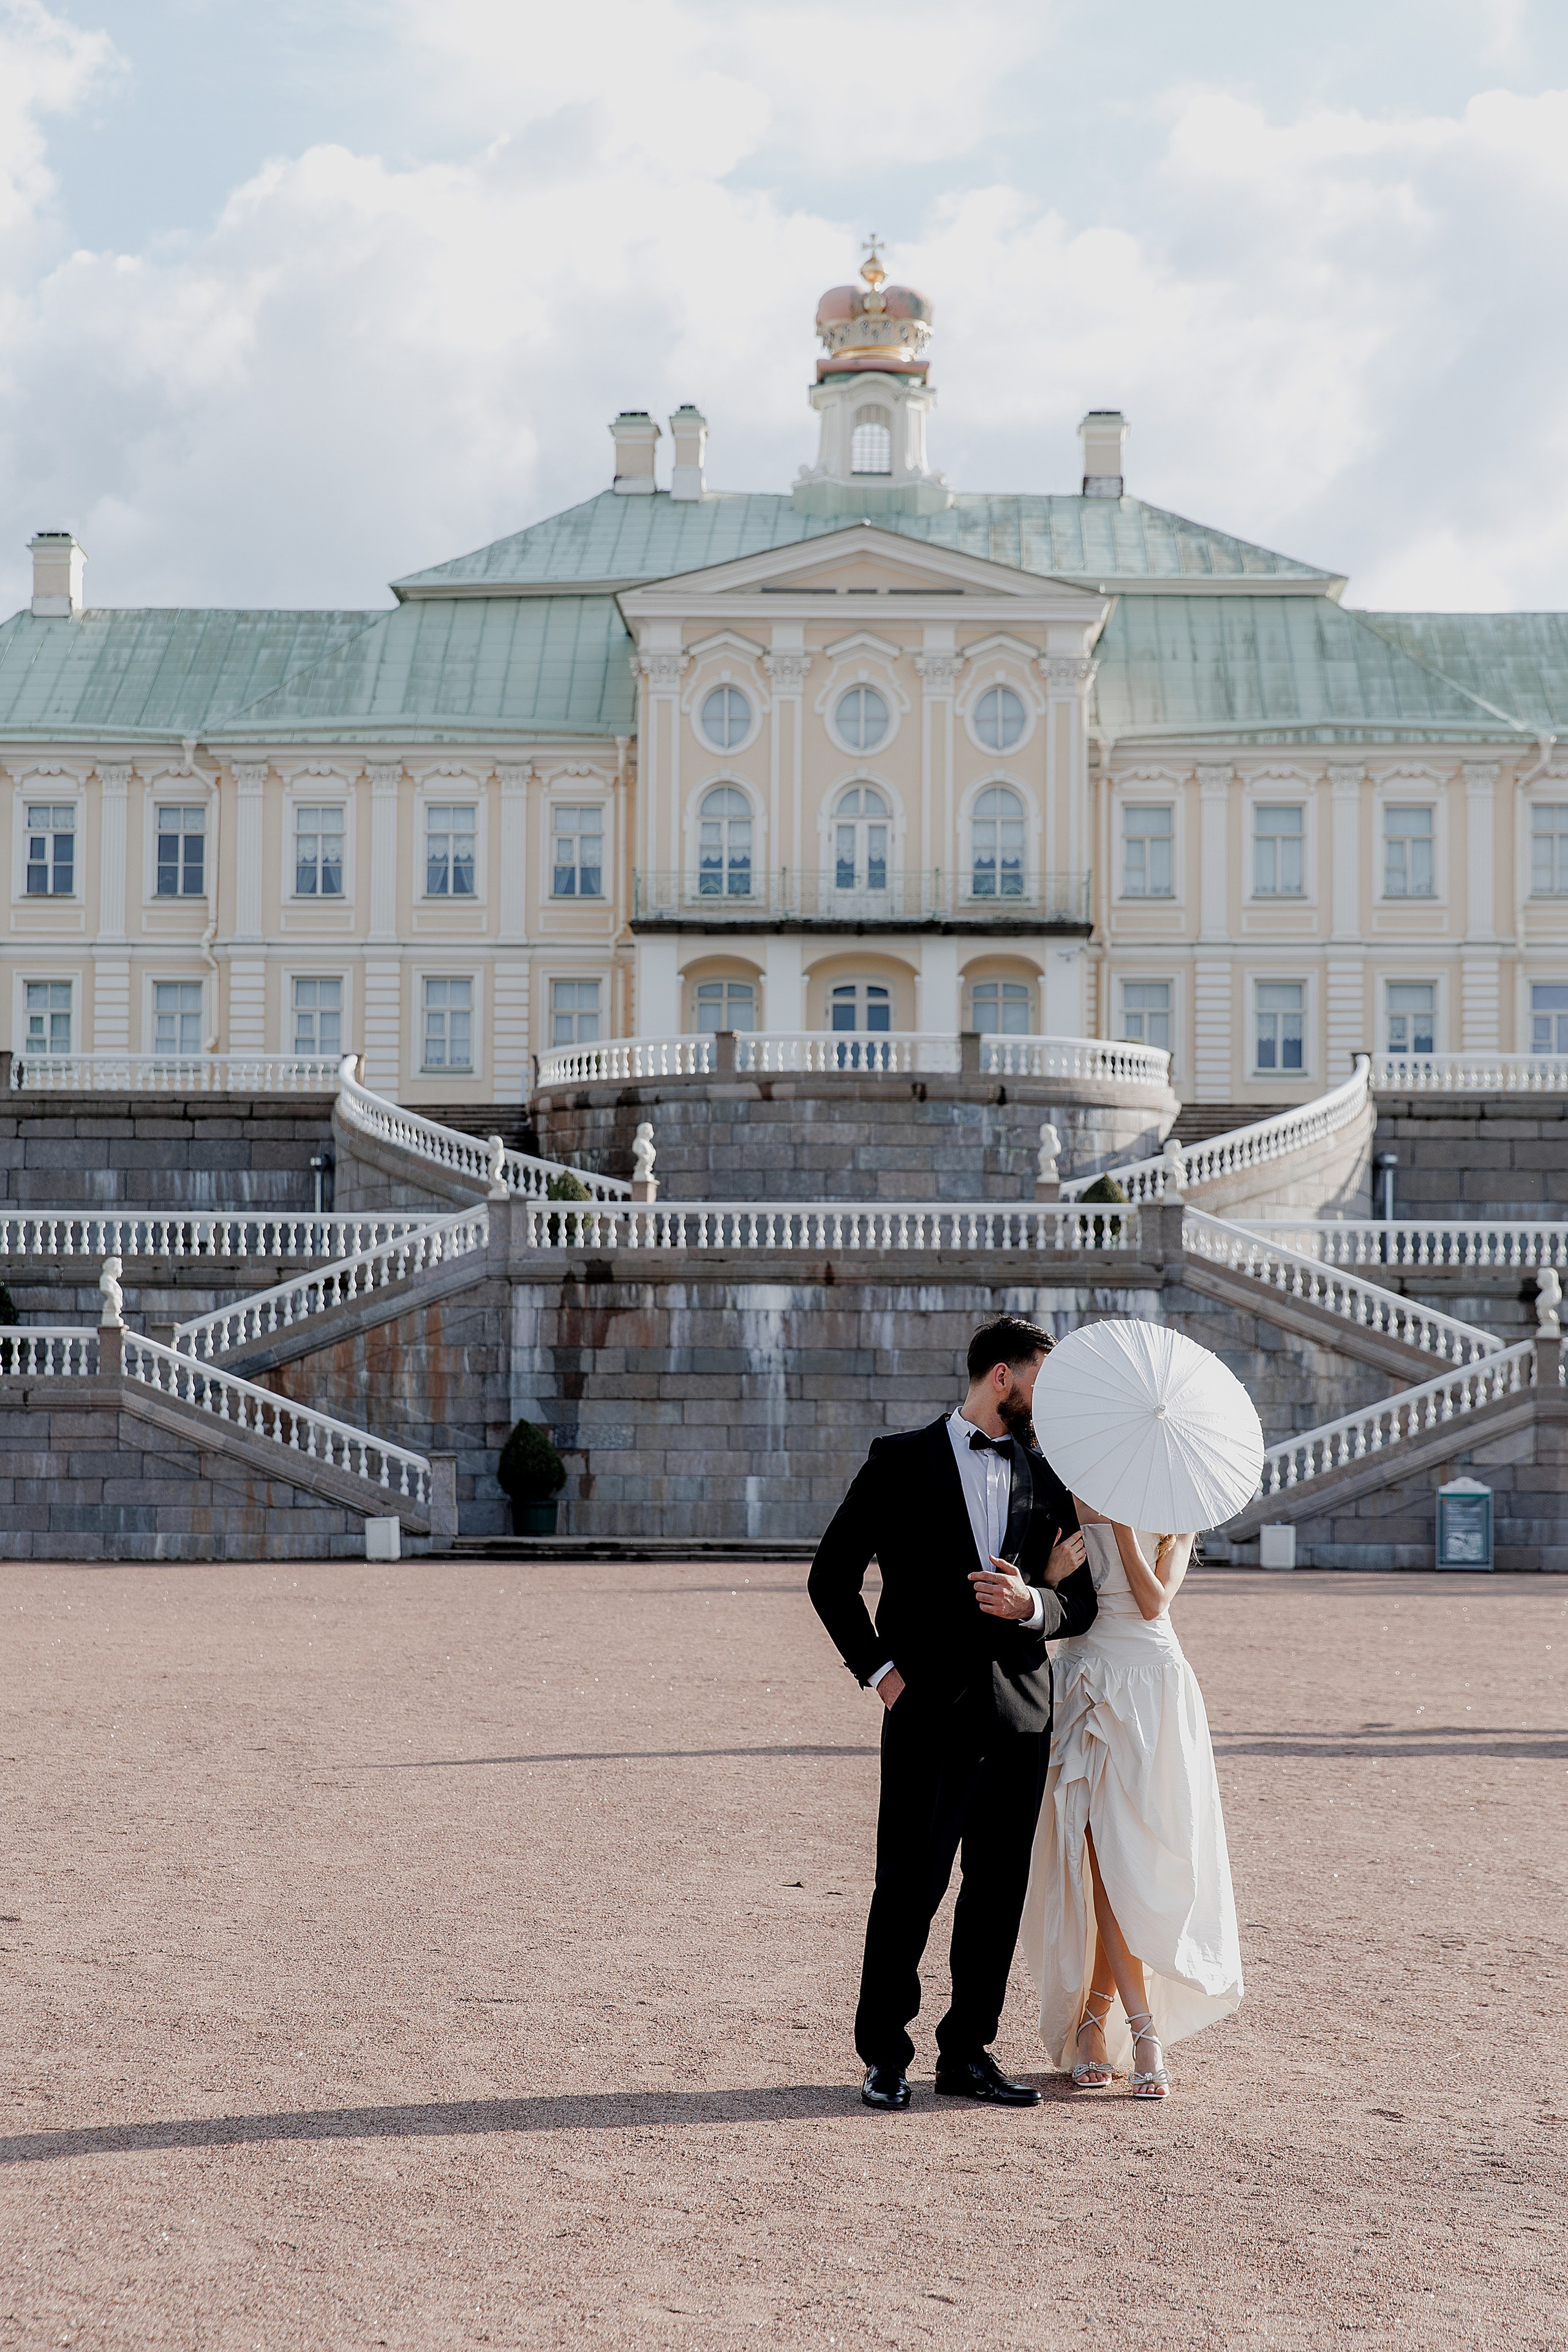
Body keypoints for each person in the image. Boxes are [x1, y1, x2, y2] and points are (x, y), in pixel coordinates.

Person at [807, 1315, 1099, 2111]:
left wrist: (1031, 1600)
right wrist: (881, 1674)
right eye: (1043, 1379)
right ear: (1001, 1376)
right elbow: (830, 1577)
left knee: (997, 1891)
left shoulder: (1050, 1476)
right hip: (926, 1709)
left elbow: (1083, 1603)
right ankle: (884, 2057)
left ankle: (968, 2052)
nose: (1050, 1399)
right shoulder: (897, 1462)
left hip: (1022, 1717)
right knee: (908, 1885)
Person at [1020, 1506, 1243, 2100]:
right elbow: (1048, 1597)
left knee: (1130, 1861)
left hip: (1151, 1684)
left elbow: (1153, 1603)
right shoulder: (1064, 1490)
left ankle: (1097, 2014)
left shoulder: (1179, 1513)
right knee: (1097, 1856)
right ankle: (1142, 2032)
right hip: (1084, 1678)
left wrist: (1123, 1529)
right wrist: (1046, 1570)